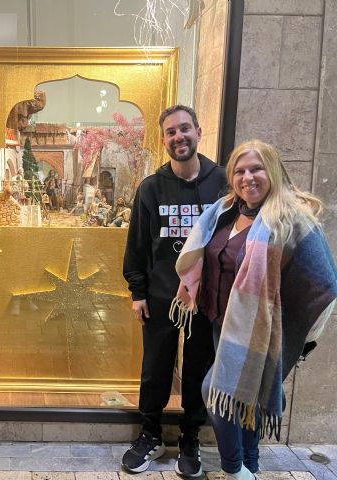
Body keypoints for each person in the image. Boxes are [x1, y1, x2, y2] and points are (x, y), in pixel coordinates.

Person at [170, 140, 337, 479]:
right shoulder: (225, 211)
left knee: (214, 392)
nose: (247, 178)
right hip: (222, 323)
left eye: (256, 169)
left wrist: (294, 332)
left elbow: (324, 283)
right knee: (244, 400)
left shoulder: (290, 218)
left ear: (272, 171)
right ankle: (252, 466)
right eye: (240, 171)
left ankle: (235, 471)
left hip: (257, 330)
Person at [122, 105, 227, 476]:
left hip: (206, 298)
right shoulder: (151, 188)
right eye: (170, 132)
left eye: (184, 128)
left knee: (198, 367)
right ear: (164, 140)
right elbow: (137, 246)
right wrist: (138, 292)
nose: (178, 137)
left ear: (198, 131)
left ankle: (190, 437)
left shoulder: (222, 183)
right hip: (161, 296)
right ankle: (150, 434)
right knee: (155, 368)